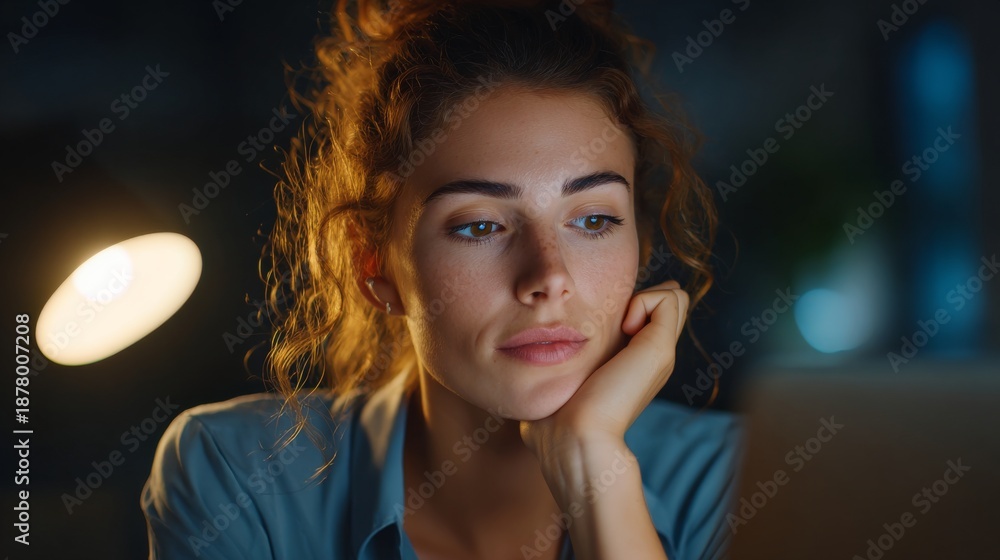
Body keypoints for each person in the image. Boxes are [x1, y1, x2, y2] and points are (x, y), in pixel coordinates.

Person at [141, 1, 743, 558]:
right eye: (480, 227)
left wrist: (592, 465)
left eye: (593, 219)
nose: (549, 276)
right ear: (372, 263)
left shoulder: (740, 479)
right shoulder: (239, 477)